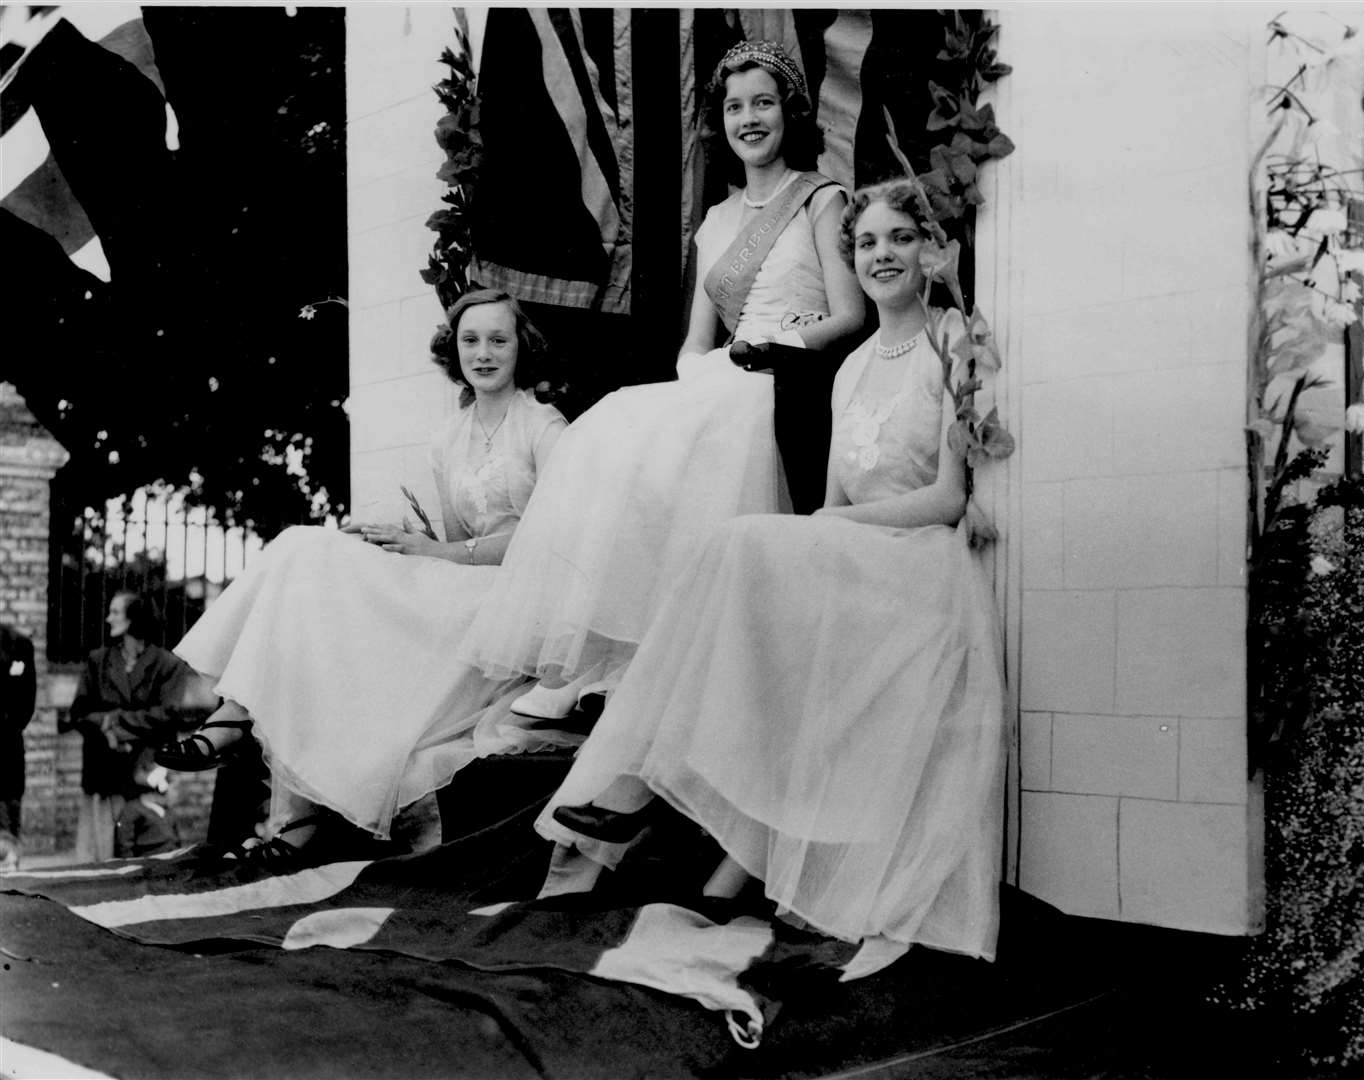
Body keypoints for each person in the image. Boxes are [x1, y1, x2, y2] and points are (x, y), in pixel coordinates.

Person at [538, 180, 1009, 960]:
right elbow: (827, 497)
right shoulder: (852, 367)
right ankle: (707, 845)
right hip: (855, 555)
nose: (881, 255)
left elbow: (947, 498)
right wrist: (828, 528)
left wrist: (831, 528)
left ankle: (645, 787)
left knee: (738, 544)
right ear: (850, 262)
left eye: (899, 238)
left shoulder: (954, 341)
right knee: (743, 588)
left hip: (919, 563)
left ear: (931, 250)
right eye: (865, 243)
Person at [463, 39, 865, 721]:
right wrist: (694, 380)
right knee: (611, 430)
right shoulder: (713, 224)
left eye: (762, 102)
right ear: (721, 121)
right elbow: (694, 341)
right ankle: (606, 656)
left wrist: (777, 344)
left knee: (689, 441)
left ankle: (653, 662)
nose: (749, 119)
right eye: (735, 106)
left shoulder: (822, 200)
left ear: (788, 111)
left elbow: (849, 312)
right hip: (722, 373)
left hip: (785, 371)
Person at [154, 289, 568, 861]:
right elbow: (448, 541)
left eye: (500, 340)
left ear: (523, 348)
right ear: (455, 350)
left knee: (320, 571)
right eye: (470, 340)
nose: (484, 353)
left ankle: (236, 720)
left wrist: (442, 554)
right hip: (462, 586)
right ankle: (242, 720)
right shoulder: (449, 437)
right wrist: (402, 543)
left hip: (515, 598)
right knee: (306, 551)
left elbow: (552, 539)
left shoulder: (545, 428)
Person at [65, 592, 190, 862]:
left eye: (116, 612)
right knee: (100, 853)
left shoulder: (168, 665)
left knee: (143, 854)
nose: (109, 618)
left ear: (136, 618)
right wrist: (104, 726)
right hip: (105, 772)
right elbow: (79, 712)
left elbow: (168, 713)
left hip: (145, 771)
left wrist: (117, 723)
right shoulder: (97, 661)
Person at [1, 622, 37, 870]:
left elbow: (27, 700)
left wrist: (7, 730)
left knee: (9, 810)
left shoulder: (17, 643)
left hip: (7, 745)